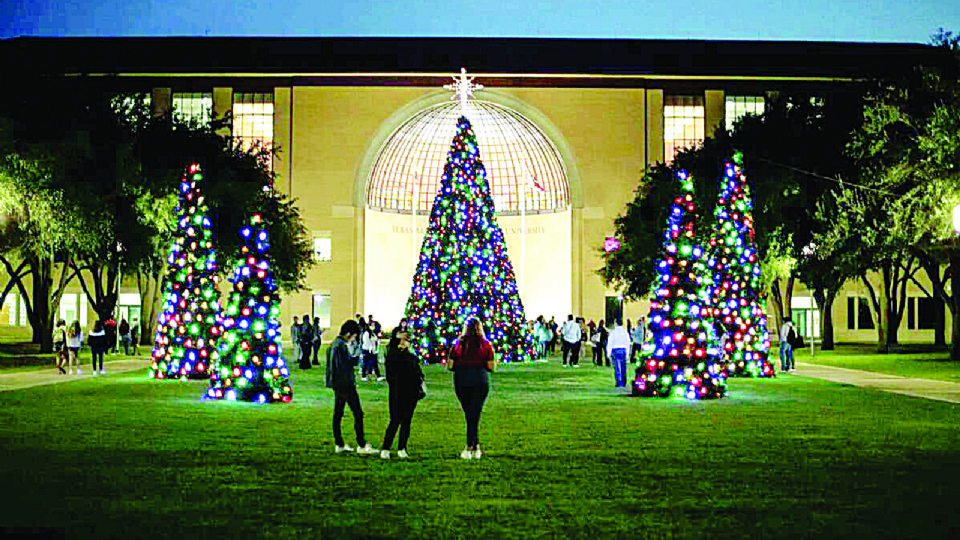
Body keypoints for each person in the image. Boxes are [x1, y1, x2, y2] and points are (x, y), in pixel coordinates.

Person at [325, 319, 377, 455]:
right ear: (349, 334)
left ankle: (339, 443)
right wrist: (357, 351)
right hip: (345, 385)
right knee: (358, 414)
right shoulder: (341, 346)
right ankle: (361, 444)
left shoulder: (334, 344)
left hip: (338, 384)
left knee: (338, 414)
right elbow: (349, 363)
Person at [448, 318, 494, 459]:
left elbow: (450, 366)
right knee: (475, 413)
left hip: (462, 378)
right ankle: (474, 447)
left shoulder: (458, 344)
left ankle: (471, 446)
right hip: (479, 378)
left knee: (469, 413)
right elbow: (491, 367)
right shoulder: (486, 344)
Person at [380, 327, 424, 459]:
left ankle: (402, 447)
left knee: (406, 421)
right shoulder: (394, 355)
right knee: (395, 420)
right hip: (398, 391)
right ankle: (386, 448)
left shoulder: (409, 356)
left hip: (410, 392)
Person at [607, 320, 631, 387]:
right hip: (623, 350)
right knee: (623, 366)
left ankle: (618, 381)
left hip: (616, 350)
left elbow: (610, 342)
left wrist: (608, 353)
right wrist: (628, 353)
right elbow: (628, 342)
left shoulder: (613, 332)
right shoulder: (625, 332)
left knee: (617, 367)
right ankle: (623, 381)